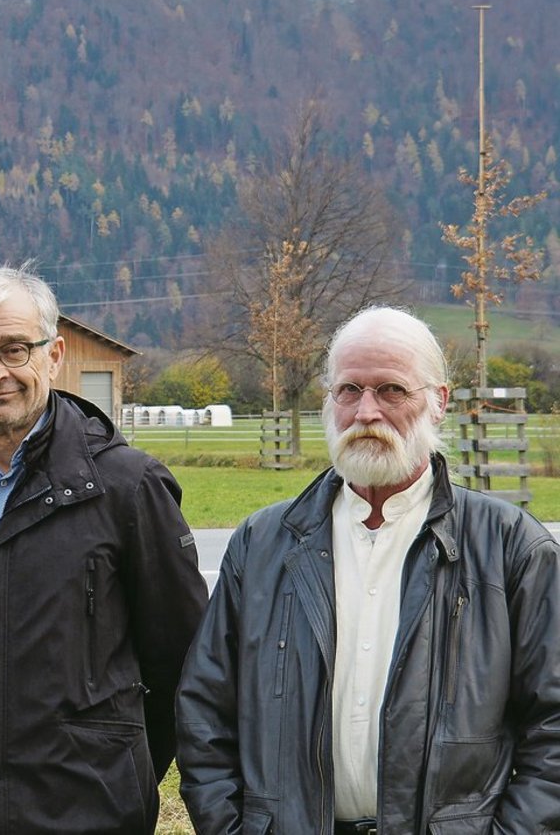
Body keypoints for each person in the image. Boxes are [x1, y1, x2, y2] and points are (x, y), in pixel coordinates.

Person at [176, 305, 560, 834]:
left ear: (439, 402)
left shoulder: (511, 548)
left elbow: (553, 729)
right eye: (349, 390)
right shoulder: (261, 544)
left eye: (392, 391)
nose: (366, 412)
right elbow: (205, 713)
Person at [0, 265, 208, 834]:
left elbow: (182, 660)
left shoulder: (127, 486)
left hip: (85, 814)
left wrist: (114, 771)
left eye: (15, 349)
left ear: (54, 355)